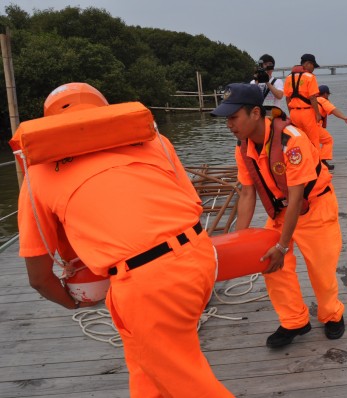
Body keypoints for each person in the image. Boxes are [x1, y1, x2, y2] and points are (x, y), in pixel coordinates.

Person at [16, 83, 233, 398]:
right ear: (104, 110)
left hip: (148, 285)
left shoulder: (39, 175)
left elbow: (38, 277)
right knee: (145, 365)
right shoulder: (153, 140)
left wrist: (73, 301)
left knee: (186, 382)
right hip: (199, 255)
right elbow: (191, 203)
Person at [211, 83, 345, 349]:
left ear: (256, 114)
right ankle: (295, 321)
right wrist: (238, 240)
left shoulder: (291, 140)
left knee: (321, 269)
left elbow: (297, 198)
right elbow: (247, 195)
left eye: (234, 117)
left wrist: (282, 245)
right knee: (270, 264)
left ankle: (332, 314)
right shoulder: (242, 148)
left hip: (314, 207)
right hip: (280, 212)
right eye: (226, 118)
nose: (229, 124)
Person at [284, 53, 322, 147]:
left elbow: (287, 98)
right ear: (308, 63)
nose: (313, 69)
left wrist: (291, 112)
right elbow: (312, 97)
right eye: (313, 66)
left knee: (299, 140)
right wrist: (317, 114)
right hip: (307, 113)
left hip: (294, 114)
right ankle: (316, 161)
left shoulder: (289, 77)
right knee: (313, 141)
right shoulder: (310, 77)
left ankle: (302, 160)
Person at [316, 84, 347, 170]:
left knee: (314, 144)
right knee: (328, 140)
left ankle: (316, 162)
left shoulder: (312, 99)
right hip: (315, 126)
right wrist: (344, 117)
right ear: (325, 94)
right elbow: (333, 110)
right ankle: (323, 161)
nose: (328, 96)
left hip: (305, 125)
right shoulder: (322, 100)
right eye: (328, 94)